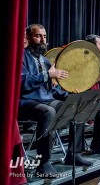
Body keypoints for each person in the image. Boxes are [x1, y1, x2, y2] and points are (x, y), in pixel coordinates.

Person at [18, 24, 92, 178]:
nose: (42, 40)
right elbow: (22, 82)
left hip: (46, 100)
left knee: (76, 106)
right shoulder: (20, 57)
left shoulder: (45, 61)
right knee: (48, 111)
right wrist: (47, 75)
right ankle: (43, 163)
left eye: (44, 36)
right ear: (28, 37)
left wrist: (70, 95)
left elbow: (50, 90)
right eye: (38, 36)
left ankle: (73, 154)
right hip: (26, 102)